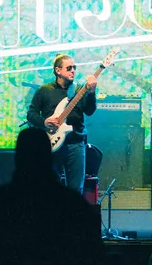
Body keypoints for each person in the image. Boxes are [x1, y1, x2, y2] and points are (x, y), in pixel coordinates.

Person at [26, 53, 99, 194]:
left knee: (76, 189)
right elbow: (31, 114)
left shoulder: (79, 91)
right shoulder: (44, 91)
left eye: (74, 68)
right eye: (69, 68)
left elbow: (90, 111)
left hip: (75, 143)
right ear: (58, 70)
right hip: (51, 144)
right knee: (50, 187)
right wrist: (44, 122)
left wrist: (91, 92)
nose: (73, 71)